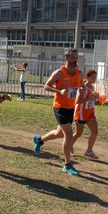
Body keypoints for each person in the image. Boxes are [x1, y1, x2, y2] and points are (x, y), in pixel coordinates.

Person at [33, 48, 83, 176]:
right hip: (59, 107)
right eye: (73, 58)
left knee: (59, 133)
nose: (75, 60)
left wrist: (84, 92)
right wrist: (59, 91)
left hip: (71, 107)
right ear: (66, 58)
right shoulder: (59, 73)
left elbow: (81, 86)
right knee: (68, 134)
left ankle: (40, 140)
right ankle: (67, 164)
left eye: (76, 58)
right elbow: (46, 86)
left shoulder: (78, 73)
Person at [72, 69, 100, 160]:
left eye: (95, 77)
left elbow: (91, 99)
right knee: (78, 133)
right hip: (81, 113)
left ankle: (89, 151)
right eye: (92, 77)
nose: (94, 79)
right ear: (87, 77)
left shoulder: (92, 88)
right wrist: (88, 99)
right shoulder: (82, 88)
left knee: (95, 131)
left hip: (90, 113)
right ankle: (68, 145)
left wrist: (95, 98)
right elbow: (77, 102)